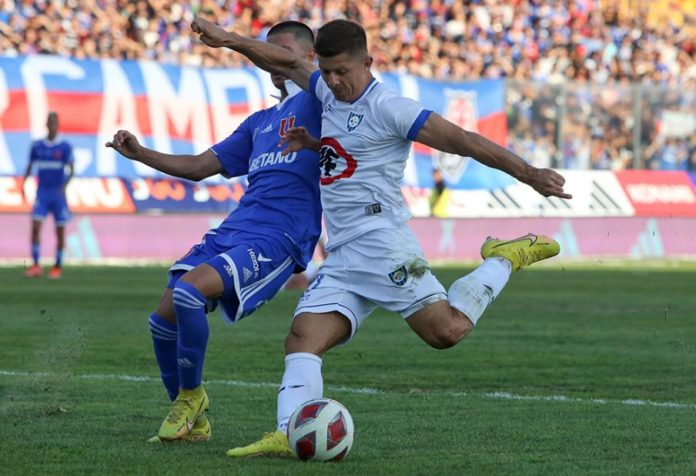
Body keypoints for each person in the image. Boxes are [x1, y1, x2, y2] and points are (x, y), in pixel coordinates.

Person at [191, 17, 572, 457]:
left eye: (342, 73)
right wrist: (229, 41)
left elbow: (463, 140)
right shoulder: (325, 90)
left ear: (368, 62)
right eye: (327, 72)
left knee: (445, 331)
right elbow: (287, 60)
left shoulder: (391, 108)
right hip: (344, 252)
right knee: (302, 337)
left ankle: (503, 258)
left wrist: (528, 173)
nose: (332, 83)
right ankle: (290, 430)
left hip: (383, 242)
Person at [105, 21, 323, 443]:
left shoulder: (322, 102)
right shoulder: (261, 121)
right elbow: (200, 167)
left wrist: (230, 41)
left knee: (189, 292)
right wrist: (141, 153)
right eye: (267, 52)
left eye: (279, 51)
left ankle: (190, 398)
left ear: (309, 58)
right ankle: (193, 422)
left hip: (281, 236)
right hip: (237, 227)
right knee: (162, 319)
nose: (271, 60)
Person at [22, 112, 74, 279]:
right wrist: (24, 183)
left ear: (57, 125)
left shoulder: (65, 146)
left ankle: (57, 267)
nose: (51, 125)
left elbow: (72, 169)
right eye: (49, 122)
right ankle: (36, 265)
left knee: (60, 231)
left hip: (58, 195)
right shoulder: (37, 146)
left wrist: (64, 186)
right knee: (35, 228)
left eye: (54, 122)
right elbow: (30, 166)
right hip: (42, 194)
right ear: (46, 124)